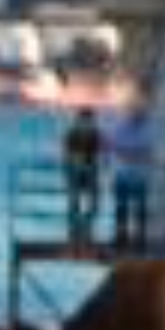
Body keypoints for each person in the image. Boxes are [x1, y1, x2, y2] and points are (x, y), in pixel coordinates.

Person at [106, 101, 155, 253]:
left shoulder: (148, 130)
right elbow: (113, 146)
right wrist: (132, 152)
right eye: (136, 112)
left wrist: (127, 151)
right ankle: (121, 239)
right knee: (121, 210)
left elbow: (146, 151)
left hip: (139, 176)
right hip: (123, 174)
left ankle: (139, 240)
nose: (139, 115)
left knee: (139, 211)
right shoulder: (121, 127)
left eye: (140, 112)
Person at [62, 105, 104, 247]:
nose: (87, 124)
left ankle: (86, 229)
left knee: (95, 204)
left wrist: (92, 165)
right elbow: (67, 156)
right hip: (75, 173)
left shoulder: (96, 135)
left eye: (89, 121)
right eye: (84, 120)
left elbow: (100, 155)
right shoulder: (71, 134)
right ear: (78, 120)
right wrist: (77, 164)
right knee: (74, 204)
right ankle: (74, 233)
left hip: (91, 172)